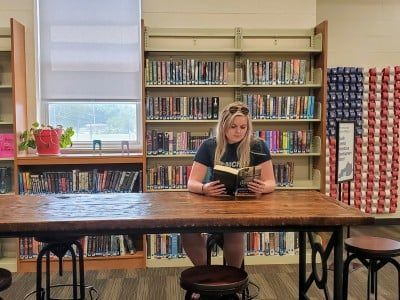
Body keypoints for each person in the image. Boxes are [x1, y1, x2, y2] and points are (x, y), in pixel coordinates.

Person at [182, 101, 276, 268]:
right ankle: (204, 274)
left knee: (234, 229)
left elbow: (271, 183)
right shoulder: (209, 145)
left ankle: (233, 280)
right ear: (223, 125)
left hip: (243, 206)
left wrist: (263, 187)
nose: (238, 131)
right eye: (233, 126)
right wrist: (204, 189)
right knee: (187, 230)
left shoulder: (258, 145)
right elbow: (191, 183)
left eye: (243, 127)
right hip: (213, 204)